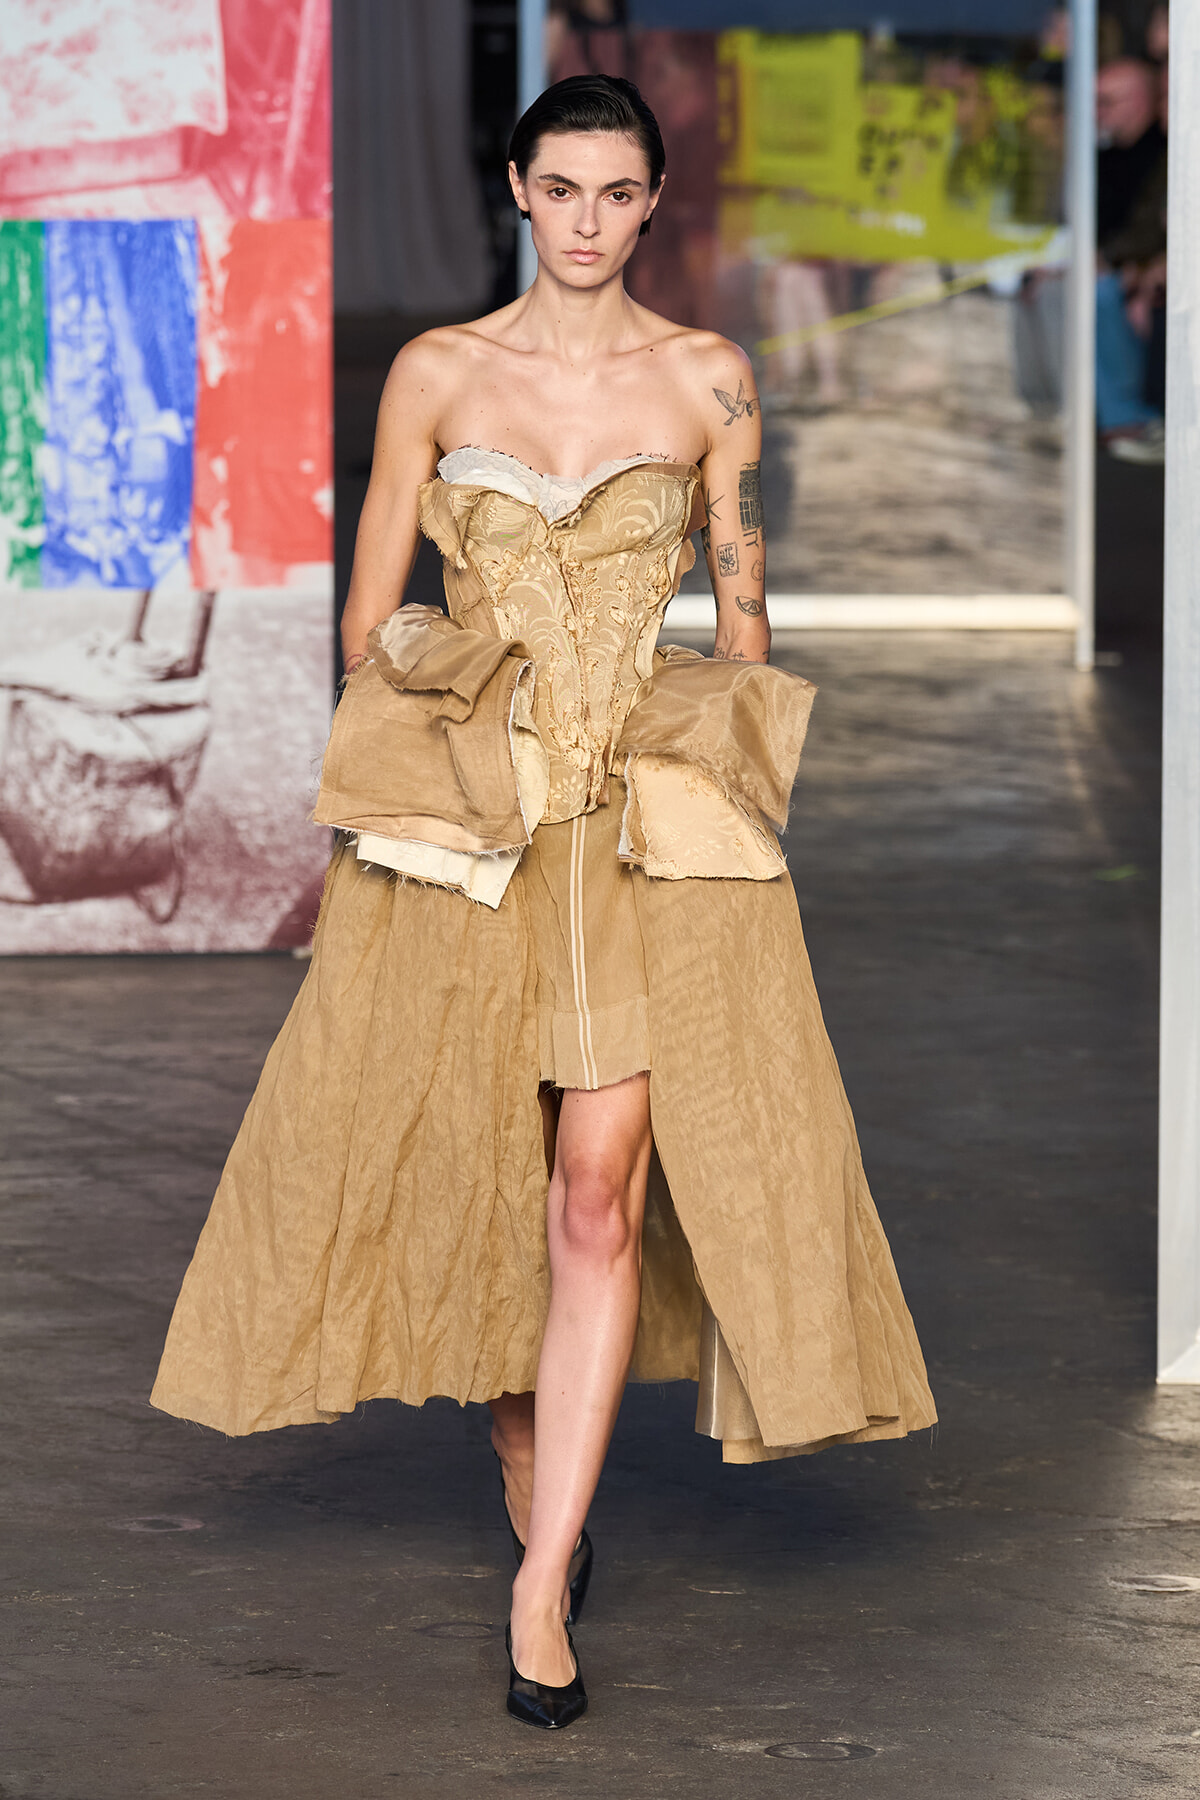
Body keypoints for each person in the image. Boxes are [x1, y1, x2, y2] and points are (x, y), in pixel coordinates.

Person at [151, 75, 935, 1732]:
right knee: (480, 1160)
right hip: (470, 821)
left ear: (656, 201)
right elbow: (371, 615)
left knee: (596, 1190)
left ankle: (540, 1579)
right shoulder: (438, 376)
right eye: (559, 187)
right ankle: (519, 1434)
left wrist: (728, 781)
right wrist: (474, 705)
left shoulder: (710, 378)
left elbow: (737, 597)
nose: (587, 218)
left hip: (640, 827)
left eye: (617, 190)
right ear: (519, 190)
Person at [1095, 56, 1167, 459]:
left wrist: (1124, 263)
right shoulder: (1104, 154)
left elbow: (1154, 228)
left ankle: (1131, 419)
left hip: (1141, 269)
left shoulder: (1163, 153)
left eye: (1107, 101)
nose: (1096, 112)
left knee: (1102, 293)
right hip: (1133, 265)